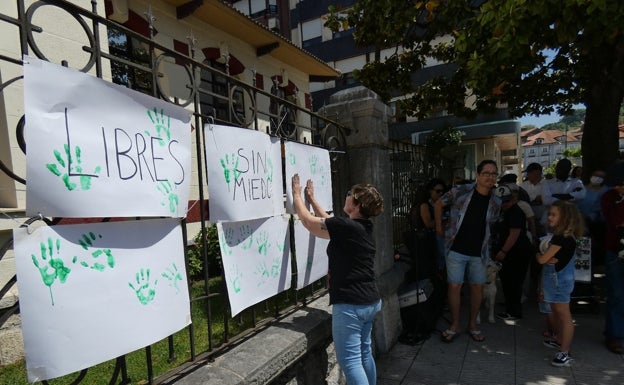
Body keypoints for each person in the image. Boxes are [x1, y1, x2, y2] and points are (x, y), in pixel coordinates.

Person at [291, 174, 384, 385]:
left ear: (357, 204)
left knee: (350, 362)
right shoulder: (360, 227)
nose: (347, 195)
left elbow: (308, 222)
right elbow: (330, 223)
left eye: (350, 194)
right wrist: (312, 199)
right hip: (369, 301)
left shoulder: (348, 228)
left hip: (351, 305)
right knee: (363, 352)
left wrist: (296, 194)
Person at [435, 160, 502, 343]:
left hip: (479, 252)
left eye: (494, 173)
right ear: (478, 175)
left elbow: (492, 225)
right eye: (486, 173)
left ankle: (473, 325)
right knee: (455, 286)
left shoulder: (496, 201)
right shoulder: (461, 191)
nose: (490, 176)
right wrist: (440, 228)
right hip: (455, 248)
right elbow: (439, 204)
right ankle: (455, 325)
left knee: (477, 288)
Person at [536, 200, 584, 367]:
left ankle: (565, 351)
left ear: (565, 217)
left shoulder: (562, 238)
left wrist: (539, 256)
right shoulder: (561, 236)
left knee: (564, 315)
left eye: (554, 214)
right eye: (550, 214)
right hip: (555, 279)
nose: (550, 217)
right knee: (557, 312)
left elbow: (542, 259)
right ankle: (560, 341)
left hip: (560, 282)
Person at [491, 185, 533, 320]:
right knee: (507, 281)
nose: (504, 204)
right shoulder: (501, 211)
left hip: (517, 252)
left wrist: (503, 251)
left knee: (514, 282)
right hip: (508, 253)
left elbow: (514, 234)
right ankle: (510, 306)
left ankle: (514, 311)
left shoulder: (515, 212)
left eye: (506, 201)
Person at [600, 161, 624, 355]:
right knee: (616, 293)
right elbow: (614, 221)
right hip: (615, 250)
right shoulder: (609, 197)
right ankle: (614, 336)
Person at [521, 162, 546, 237]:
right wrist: (535, 199)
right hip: (528, 219)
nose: (527, 175)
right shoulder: (523, 186)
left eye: (529, 173)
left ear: (538, 173)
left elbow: (545, 199)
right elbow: (522, 200)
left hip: (544, 219)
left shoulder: (546, 184)